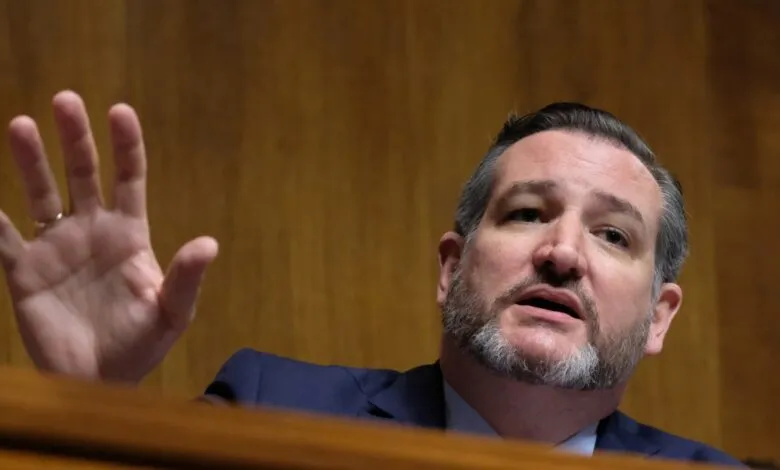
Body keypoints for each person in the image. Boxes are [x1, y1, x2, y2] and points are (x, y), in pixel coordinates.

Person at [0, 90, 743, 466]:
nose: (563, 252)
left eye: (613, 235)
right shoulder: (273, 411)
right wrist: (90, 407)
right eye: (525, 214)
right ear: (451, 271)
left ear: (658, 317)